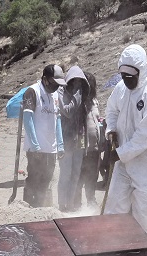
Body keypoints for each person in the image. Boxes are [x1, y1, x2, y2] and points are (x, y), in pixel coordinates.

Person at [104, 44, 147, 240]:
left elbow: (145, 135)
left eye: (131, 76)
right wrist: (111, 129)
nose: (127, 80)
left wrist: (119, 153)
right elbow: (111, 110)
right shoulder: (120, 89)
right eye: (123, 75)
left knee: (145, 221)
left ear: (141, 70)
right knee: (114, 211)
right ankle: (111, 250)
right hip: (123, 165)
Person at [22, 64, 65, 207]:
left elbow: (57, 119)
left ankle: (42, 208)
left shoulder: (55, 94)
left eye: (58, 84)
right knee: (34, 179)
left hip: (51, 148)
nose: (56, 87)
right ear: (45, 79)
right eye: (54, 83)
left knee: (47, 180)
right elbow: (28, 120)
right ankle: (28, 208)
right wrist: (35, 146)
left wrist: (60, 144)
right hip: (36, 148)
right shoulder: (32, 92)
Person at [58, 65, 92, 211]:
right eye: (74, 81)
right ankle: (62, 204)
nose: (77, 85)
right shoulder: (61, 94)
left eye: (80, 82)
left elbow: (84, 123)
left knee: (75, 174)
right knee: (66, 174)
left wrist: (86, 143)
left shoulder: (82, 100)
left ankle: (70, 204)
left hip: (79, 141)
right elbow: (68, 111)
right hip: (66, 140)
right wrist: (76, 95)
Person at [77, 71, 104, 208]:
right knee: (80, 175)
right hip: (82, 146)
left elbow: (96, 119)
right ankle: (77, 202)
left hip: (95, 146)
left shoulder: (94, 102)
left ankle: (91, 200)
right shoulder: (78, 102)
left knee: (93, 175)